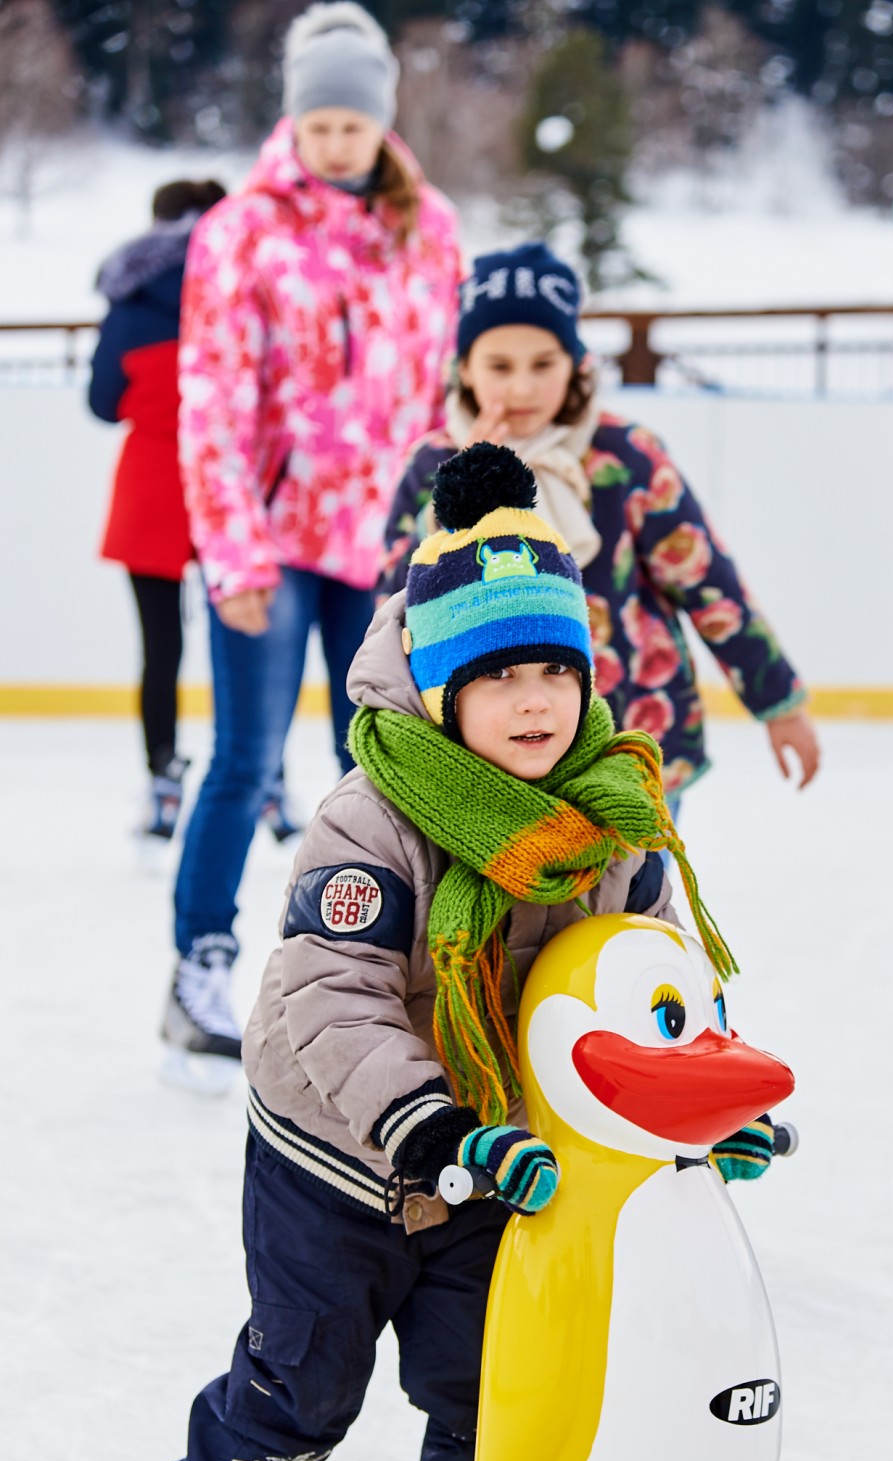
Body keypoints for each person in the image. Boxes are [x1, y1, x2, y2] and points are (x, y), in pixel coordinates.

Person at [102, 444, 771, 1461]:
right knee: (303, 1391)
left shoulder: (611, 827)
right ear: (438, 684)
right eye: (499, 675)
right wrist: (428, 1123)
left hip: (492, 1164)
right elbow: (327, 998)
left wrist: (707, 1107)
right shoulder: (375, 819)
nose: (533, 704)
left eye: (555, 672)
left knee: (488, 1387)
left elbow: (653, 985)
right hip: (341, 1158)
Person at [163, 0, 462, 1088]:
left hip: (383, 545)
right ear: (293, 119)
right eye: (321, 123)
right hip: (274, 540)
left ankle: (367, 975)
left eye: (355, 124)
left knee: (377, 769)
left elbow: (444, 391)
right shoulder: (242, 229)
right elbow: (211, 398)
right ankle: (200, 959)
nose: (338, 142)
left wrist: (448, 528)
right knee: (246, 757)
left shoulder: (426, 228)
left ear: (383, 119)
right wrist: (233, 554)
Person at [379, 241, 820, 815]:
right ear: (463, 369)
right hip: (488, 756)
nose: (521, 388)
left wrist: (778, 702)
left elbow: (709, 582)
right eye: (499, 366)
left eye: (543, 365)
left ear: (576, 365)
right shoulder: (431, 467)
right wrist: (468, 482)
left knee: (633, 901)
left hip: (629, 741)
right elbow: (395, 600)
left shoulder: (626, 458)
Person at [89, 178, 227, 846]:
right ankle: (262, 775)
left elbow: (100, 400)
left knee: (160, 645)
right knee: (247, 644)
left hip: (150, 485)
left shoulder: (130, 299)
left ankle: (163, 774)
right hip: (226, 481)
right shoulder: (236, 286)